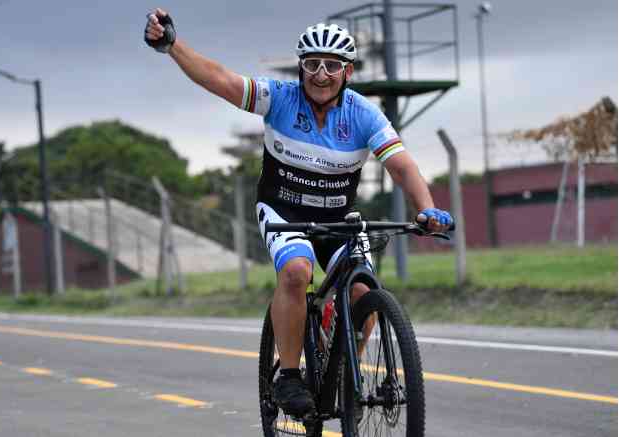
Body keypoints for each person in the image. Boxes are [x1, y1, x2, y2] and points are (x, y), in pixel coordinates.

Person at [144, 9, 453, 417]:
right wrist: (171, 46)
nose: (321, 75)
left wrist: (426, 209)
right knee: (296, 272)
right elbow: (220, 79)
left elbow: (401, 165)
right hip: (283, 210)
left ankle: (343, 370)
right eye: (312, 64)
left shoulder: (364, 114)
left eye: (332, 65)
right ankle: (289, 374)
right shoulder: (280, 99)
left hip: (339, 218)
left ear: (348, 72)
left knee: (364, 294)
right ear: (300, 66)